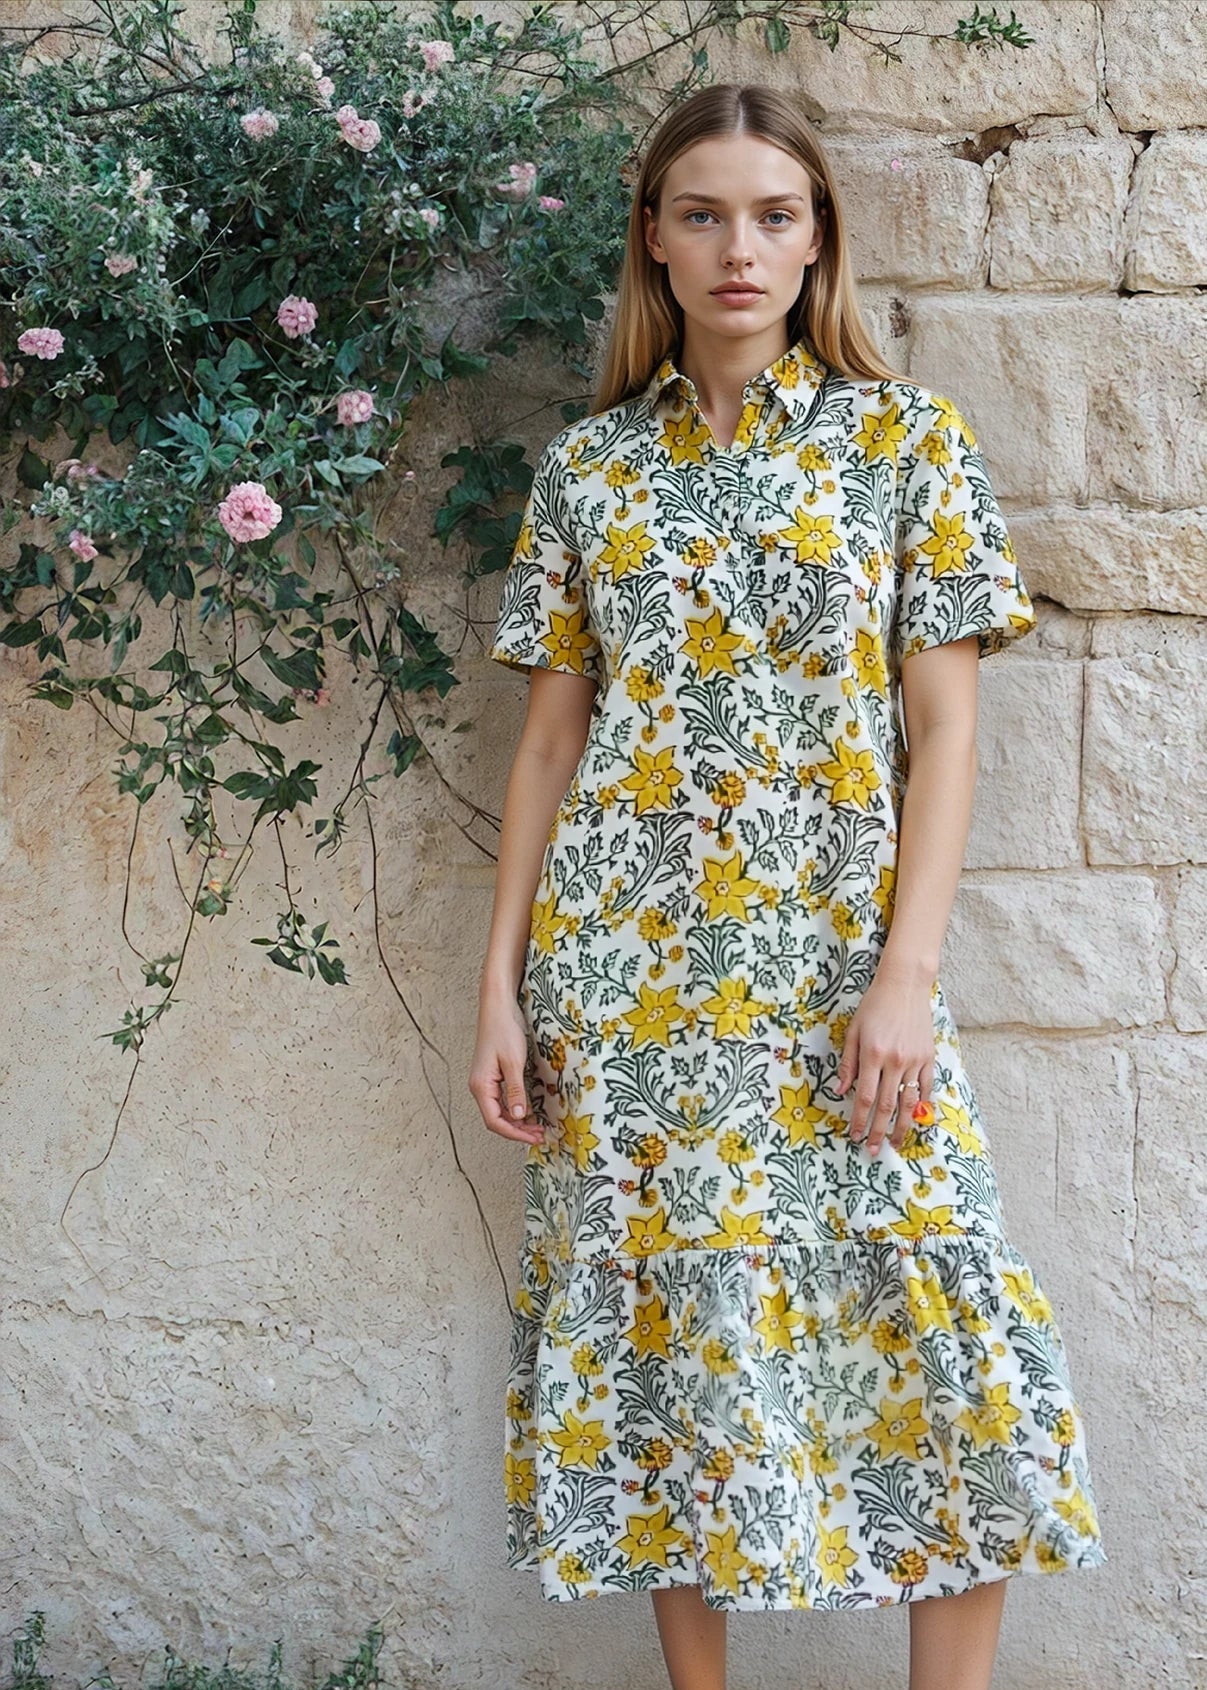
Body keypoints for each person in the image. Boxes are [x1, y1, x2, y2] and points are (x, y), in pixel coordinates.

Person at [469, 81, 1106, 1690]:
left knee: (940, 1325)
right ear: (656, 244)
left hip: (835, 964)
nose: (736, 247)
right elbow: (549, 750)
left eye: (770, 213)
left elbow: (946, 724)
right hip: (630, 973)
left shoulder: (906, 443)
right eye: (701, 213)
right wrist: (501, 986)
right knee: (667, 1338)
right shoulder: (591, 475)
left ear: (815, 237)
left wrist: (907, 974)